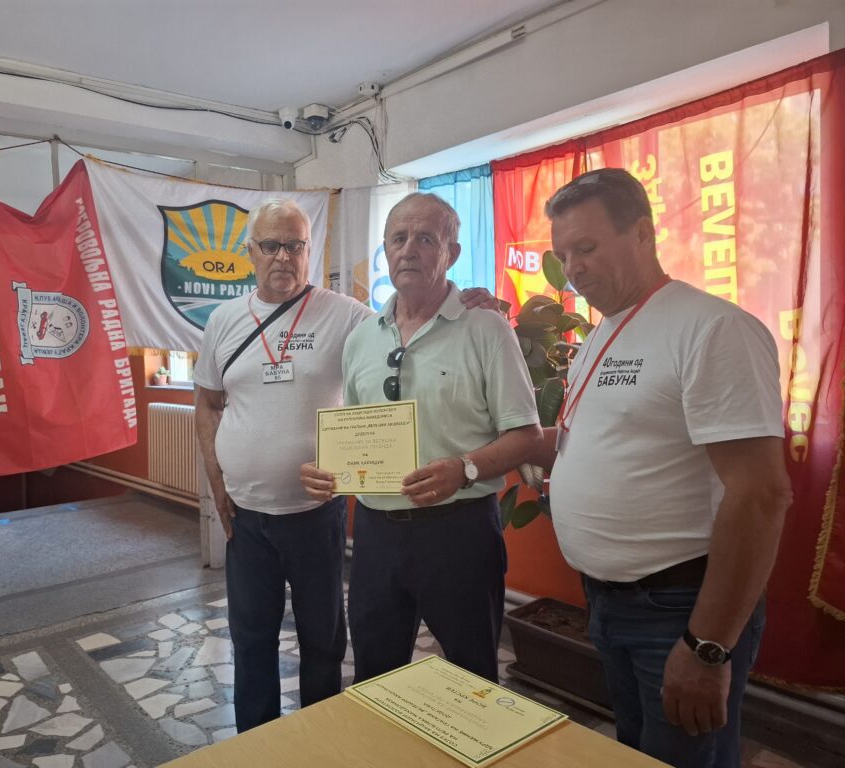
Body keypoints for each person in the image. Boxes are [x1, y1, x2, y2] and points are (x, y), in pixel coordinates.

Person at [195, 197, 496, 732]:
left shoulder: (348, 316)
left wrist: (472, 300)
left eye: (295, 245)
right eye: (271, 245)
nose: (283, 257)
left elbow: (414, 316)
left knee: (324, 639)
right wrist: (217, 483)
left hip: (317, 516)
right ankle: (254, 743)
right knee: (251, 638)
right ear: (250, 252)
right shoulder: (223, 320)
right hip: (246, 515)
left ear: (309, 250)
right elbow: (208, 403)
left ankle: (322, 739)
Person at [536, 168, 791, 768]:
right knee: (639, 753)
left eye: (587, 248)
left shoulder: (712, 328)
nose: (573, 269)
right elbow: (602, 438)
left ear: (644, 233)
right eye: (563, 255)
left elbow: (761, 495)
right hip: (609, 603)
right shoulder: (604, 331)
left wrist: (707, 646)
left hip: (678, 608)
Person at [302, 192, 542, 685]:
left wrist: (466, 469)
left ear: (452, 253)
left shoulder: (486, 329)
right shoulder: (361, 339)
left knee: (472, 677)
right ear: (386, 250)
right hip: (376, 533)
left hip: (460, 532)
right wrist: (330, 470)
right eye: (398, 238)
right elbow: (357, 429)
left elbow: (526, 435)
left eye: (426, 239)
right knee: (375, 674)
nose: (409, 249)